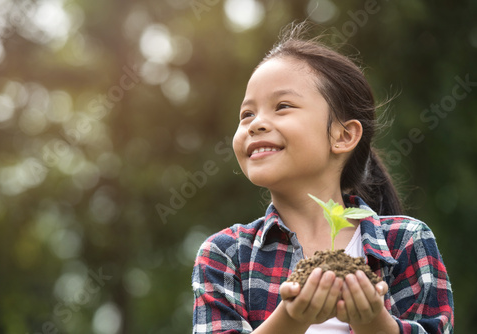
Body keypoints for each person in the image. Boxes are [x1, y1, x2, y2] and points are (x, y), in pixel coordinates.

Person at [191, 23, 454, 334]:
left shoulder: (406, 242)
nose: (257, 123)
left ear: (343, 135)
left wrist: (374, 322)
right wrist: (291, 319)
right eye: (247, 114)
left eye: (282, 106)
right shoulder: (225, 254)